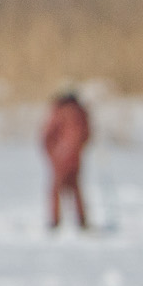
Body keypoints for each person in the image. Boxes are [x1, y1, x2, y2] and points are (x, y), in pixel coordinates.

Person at [42, 91, 92, 231]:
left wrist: (53, 153)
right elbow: (86, 134)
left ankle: (55, 221)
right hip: (74, 156)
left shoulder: (59, 111)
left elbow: (47, 135)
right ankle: (81, 220)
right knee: (75, 188)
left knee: (56, 189)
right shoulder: (81, 112)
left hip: (61, 157)